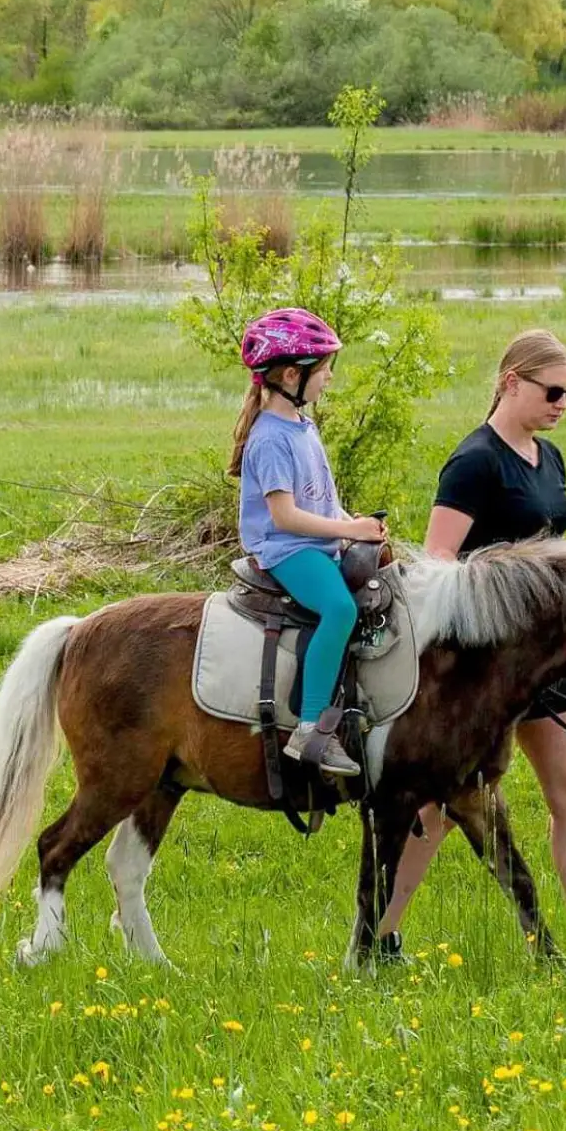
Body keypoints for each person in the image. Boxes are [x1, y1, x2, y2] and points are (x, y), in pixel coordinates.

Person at [377, 329, 566, 951]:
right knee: (441, 807)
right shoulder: (475, 462)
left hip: (547, 663)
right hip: (483, 667)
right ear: (512, 382)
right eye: (553, 391)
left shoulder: (549, 458)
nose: (563, 404)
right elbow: (437, 564)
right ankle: (378, 935)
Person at [233, 307, 385, 778]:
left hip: (314, 542)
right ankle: (310, 727)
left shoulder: (302, 426)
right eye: (324, 370)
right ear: (291, 375)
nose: (330, 378)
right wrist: (349, 532)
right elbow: (285, 516)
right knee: (339, 609)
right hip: (287, 548)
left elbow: (322, 501)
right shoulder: (270, 439)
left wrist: (355, 523)